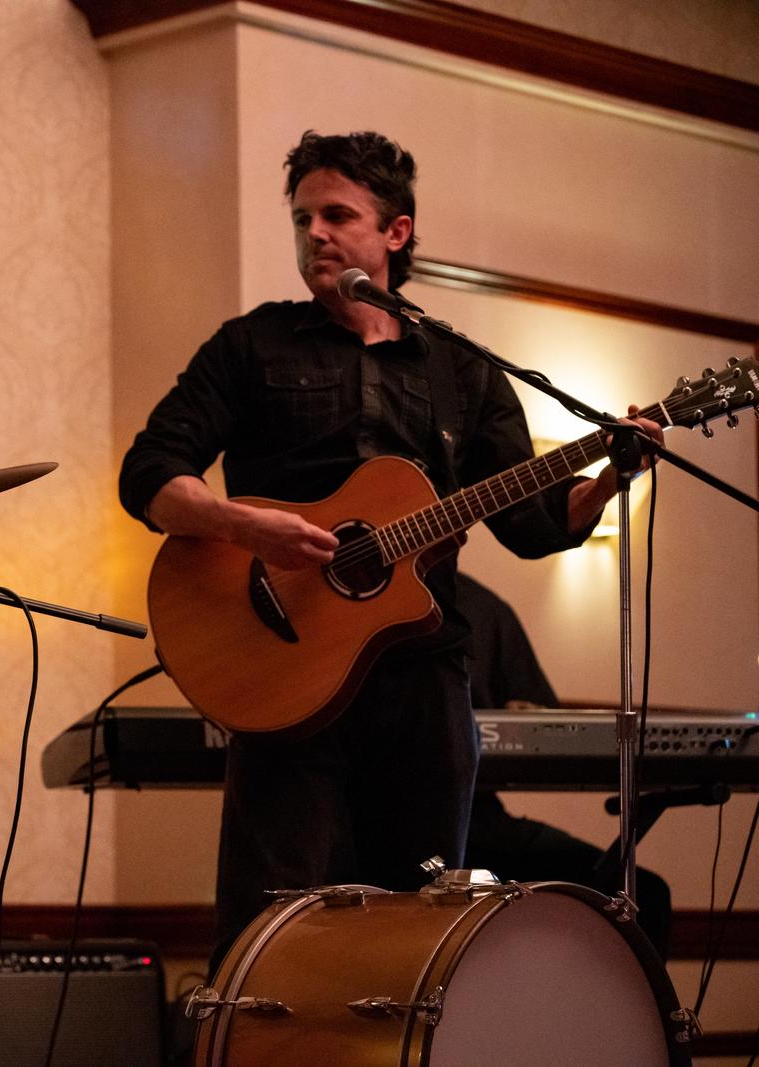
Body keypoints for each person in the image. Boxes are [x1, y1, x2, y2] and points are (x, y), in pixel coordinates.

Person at [117, 130, 663, 964]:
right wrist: (246, 525)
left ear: (396, 233)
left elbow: (534, 521)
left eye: (337, 215)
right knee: (271, 933)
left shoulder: (462, 368)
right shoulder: (252, 347)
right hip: (284, 673)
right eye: (303, 218)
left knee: (416, 931)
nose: (315, 235)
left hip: (420, 685)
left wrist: (606, 476)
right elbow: (149, 473)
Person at [457, 572, 672, 957]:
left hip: (477, 820)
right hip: (363, 823)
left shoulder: (481, 608)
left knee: (644, 894)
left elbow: (544, 729)